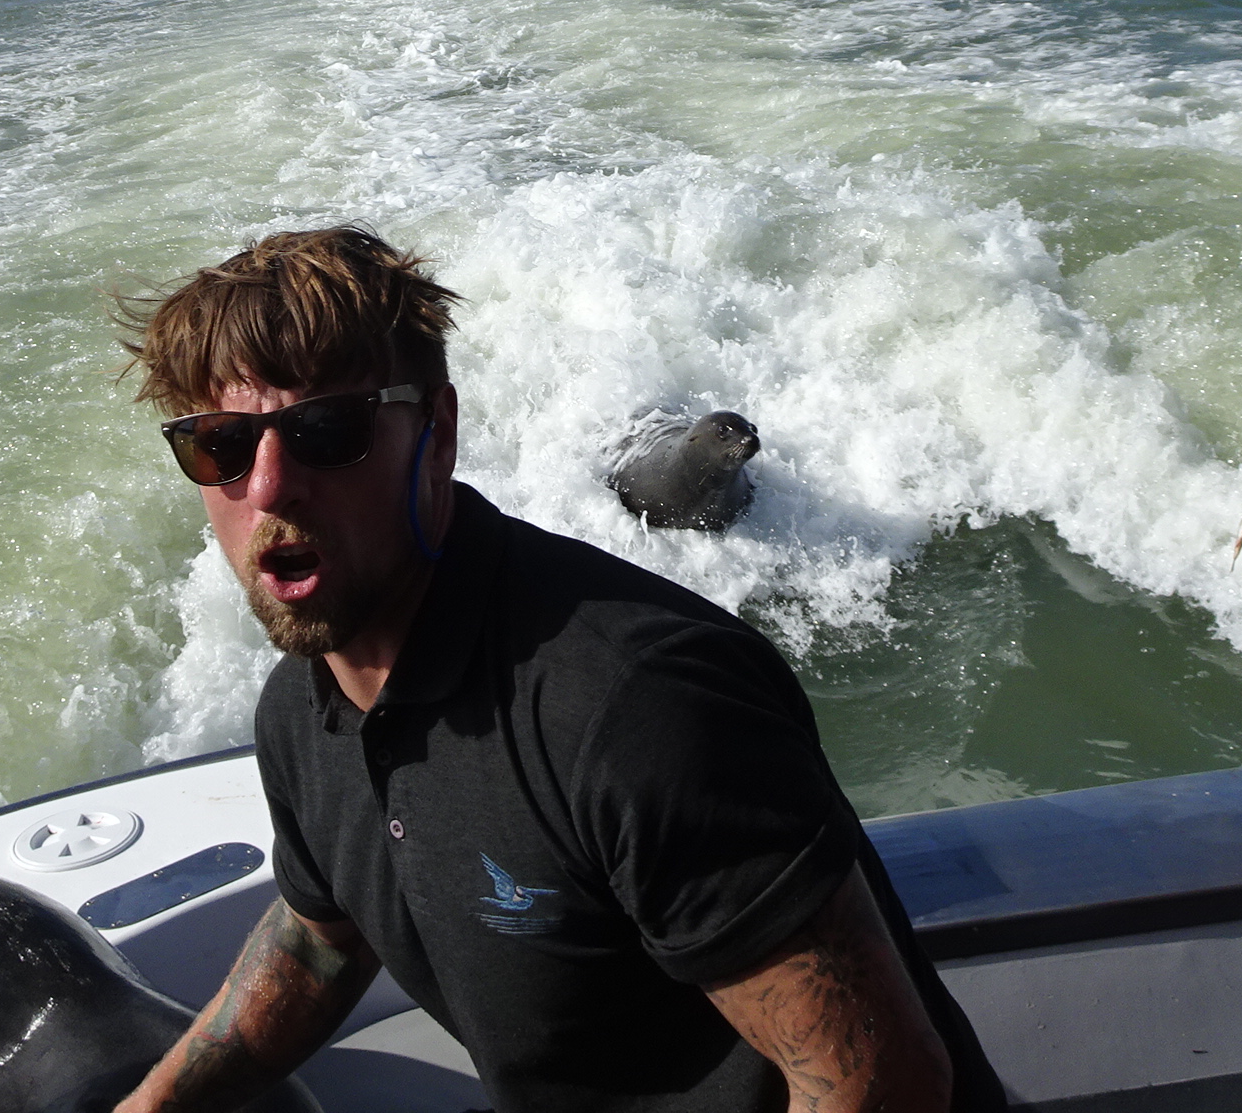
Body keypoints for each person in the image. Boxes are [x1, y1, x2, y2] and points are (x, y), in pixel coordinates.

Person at [109, 227, 1003, 1113]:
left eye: (325, 431)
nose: (268, 486)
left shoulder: (635, 706)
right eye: (220, 444)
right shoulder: (305, 708)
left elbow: (881, 1085)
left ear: (438, 433)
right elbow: (321, 940)